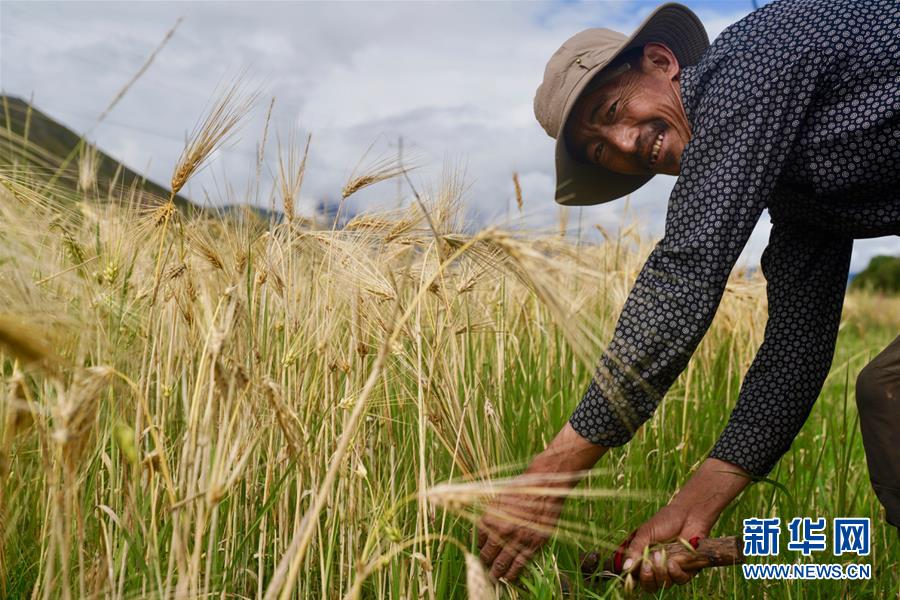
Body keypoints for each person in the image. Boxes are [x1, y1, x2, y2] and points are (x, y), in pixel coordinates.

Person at [476, 0, 900, 592]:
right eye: (600, 150)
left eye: (614, 109)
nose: (624, 143)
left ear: (660, 61)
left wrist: (550, 474)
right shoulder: (797, 191)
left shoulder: (747, 63)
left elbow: (686, 272)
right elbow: (794, 351)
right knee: (888, 392)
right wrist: (693, 512)